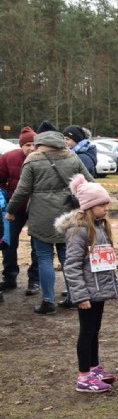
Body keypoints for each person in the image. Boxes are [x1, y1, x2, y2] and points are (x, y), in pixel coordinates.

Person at [5, 129, 94, 315]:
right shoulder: (72, 157)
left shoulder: (33, 160)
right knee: (67, 256)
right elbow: (89, 182)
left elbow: (22, 191)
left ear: (39, 144)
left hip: (40, 215)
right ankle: (73, 297)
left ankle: (48, 301)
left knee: (44, 257)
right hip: (68, 215)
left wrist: (11, 210)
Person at [56, 174, 118, 393]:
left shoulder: (101, 226)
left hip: (99, 291)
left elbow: (106, 261)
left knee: (95, 330)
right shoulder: (79, 230)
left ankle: (94, 367)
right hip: (87, 294)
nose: (106, 208)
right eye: (102, 204)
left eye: (107, 204)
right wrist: (80, 295)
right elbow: (72, 265)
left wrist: (114, 287)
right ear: (89, 206)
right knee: (86, 331)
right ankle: (84, 376)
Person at [0, 126, 40, 296]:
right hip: (13, 208)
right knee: (8, 244)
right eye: (27, 145)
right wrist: (7, 195)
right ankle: (10, 277)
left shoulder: (42, 159)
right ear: (21, 145)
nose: (31, 148)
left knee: (38, 246)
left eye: (34, 145)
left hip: (38, 209)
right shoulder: (8, 158)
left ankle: (35, 280)